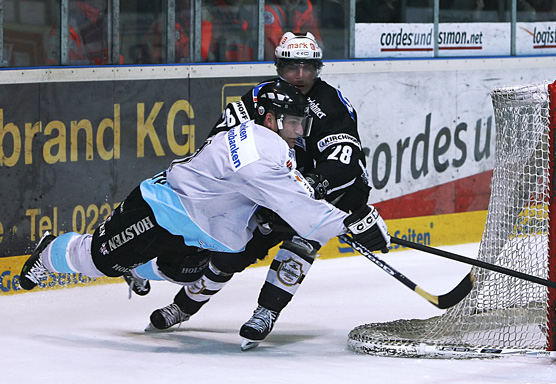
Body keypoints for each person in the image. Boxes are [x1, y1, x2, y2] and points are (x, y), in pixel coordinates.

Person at [18, 80, 390, 317]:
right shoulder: (258, 151)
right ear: (270, 119)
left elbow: (290, 196)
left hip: (201, 230)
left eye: (301, 123)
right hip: (161, 211)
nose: (299, 131)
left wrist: (347, 219)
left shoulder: (272, 145)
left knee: (183, 270)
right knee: (98, 261)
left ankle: (136, 269)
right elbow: (298, 207)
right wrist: (350, 221)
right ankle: (48, 254)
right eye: (292, 122)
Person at [137, 31, 372, 350]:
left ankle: (266, 311)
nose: (300, 75)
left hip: (320, 192)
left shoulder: (332, 106)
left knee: (300, 245)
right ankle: (183, 307)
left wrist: (315, 186)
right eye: (292, 67)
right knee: (231, 253)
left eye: (308, 67)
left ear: (318, 68)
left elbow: (345, 160)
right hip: (269, 190)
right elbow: (220, 140)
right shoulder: (261, 97)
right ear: (278, 67)